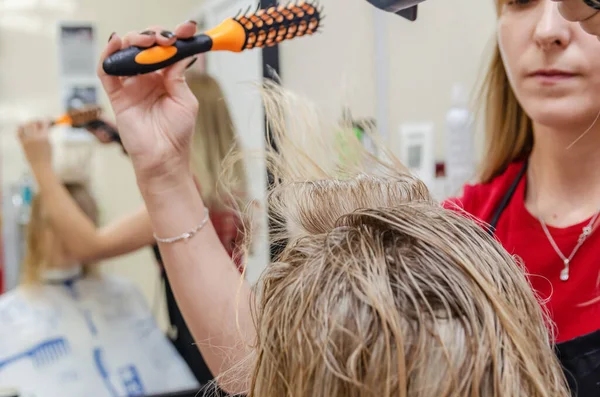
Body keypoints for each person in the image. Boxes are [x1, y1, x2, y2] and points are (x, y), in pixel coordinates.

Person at [17, 73, 247, 390]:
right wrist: (119, 138)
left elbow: (90, 246)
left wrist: (40, 166)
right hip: (233, 334)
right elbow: (163, 171)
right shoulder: (225, 192)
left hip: (206, 349)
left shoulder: (185, 202)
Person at [0, 177, 198, 396]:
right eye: (56, 225)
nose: (65, 238)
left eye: (77, 224)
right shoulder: (9, 314)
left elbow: (171, 376)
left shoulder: (122, 293)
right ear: (36, 232)